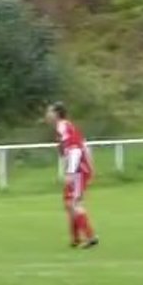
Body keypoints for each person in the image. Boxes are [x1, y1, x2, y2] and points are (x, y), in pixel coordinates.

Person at [47, 102, 98, 250]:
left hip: (78, 170)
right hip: (79, 169)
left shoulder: (63, 126)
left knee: (75, 203)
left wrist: (70, 172)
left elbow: (75, 149)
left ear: (56, 114)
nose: (47, 114)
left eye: (49, 111)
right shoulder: (65, 127)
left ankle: (90, 237)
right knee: (69, 203)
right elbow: (82, 145)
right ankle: (75, 239)